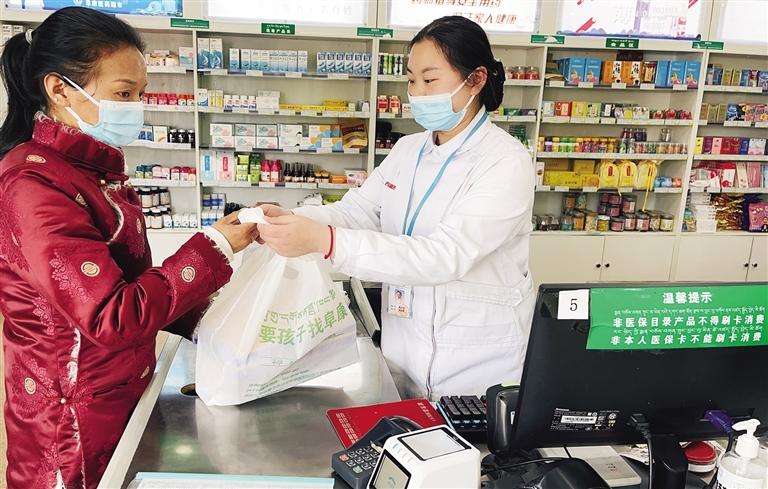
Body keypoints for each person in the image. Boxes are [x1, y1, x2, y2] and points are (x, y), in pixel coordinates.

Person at [0, 8, 257, 488]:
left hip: (116, 393)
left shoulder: (92, 172)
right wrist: (213, 248)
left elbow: (133, 283)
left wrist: (219, 319)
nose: (136, 106)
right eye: (123, 94)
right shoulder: (34, 184)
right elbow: (111, 316)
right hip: (70, 422)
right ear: (59, 90)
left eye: (141, 93)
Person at [258, 16, 535, 400]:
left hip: (476, 364)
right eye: (411, 80)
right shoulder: (409, 150)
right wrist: (292, 220)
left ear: (475, 80)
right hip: (404, 351)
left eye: (430, 79)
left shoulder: (505, 161)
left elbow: (445, 256)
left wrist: (328, 242)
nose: (417, 93)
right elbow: (356, 211)